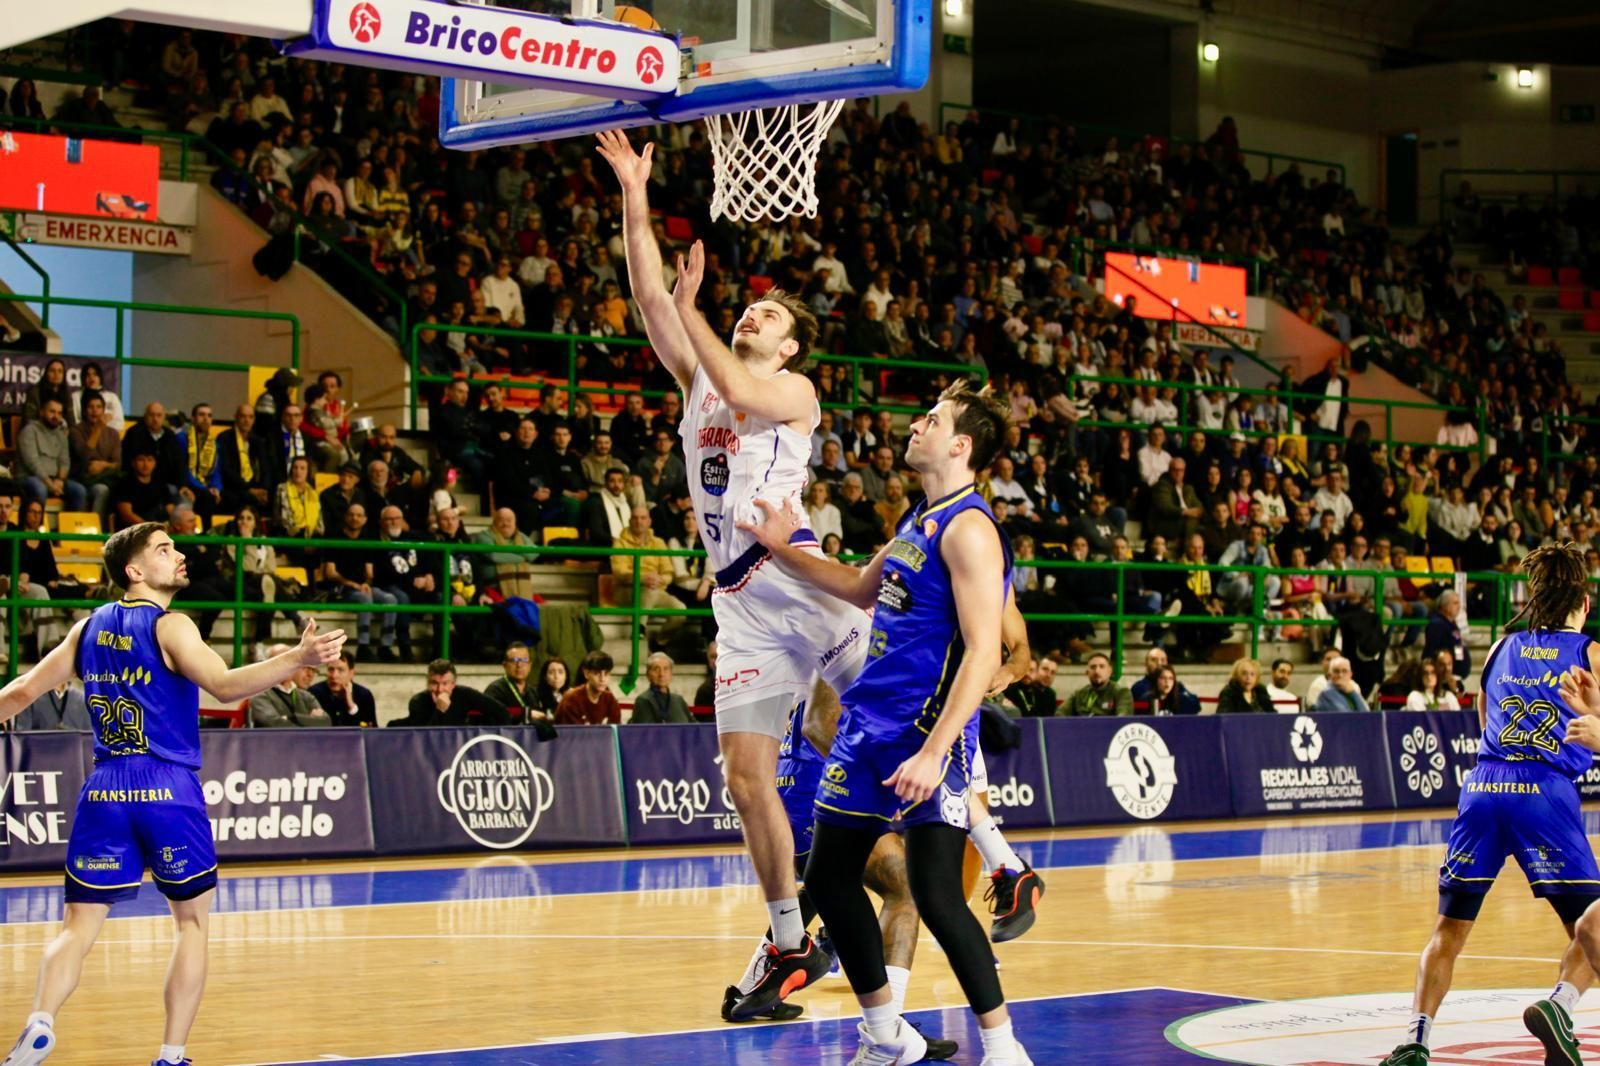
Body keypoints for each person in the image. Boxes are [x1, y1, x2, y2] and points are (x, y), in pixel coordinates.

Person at [597, 129, 872, 1017]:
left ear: (792, 348)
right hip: (742, 604)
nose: (755, 314)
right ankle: (791, 939)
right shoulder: (698, 385)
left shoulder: (792, 394)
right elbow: (648, 297)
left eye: (771, 317)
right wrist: (636, 194)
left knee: (887, 724)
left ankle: (990, 850)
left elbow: (737, 383)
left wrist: (700, 313)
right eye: (749, 308)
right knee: (746, 778)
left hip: (804, 580)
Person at [737, 379, 1035, 1065]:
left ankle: (1004, 1048)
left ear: (960, 445)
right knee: (830, 878)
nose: (915, 425)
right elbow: (852, 585)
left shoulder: (971, 530)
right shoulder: (917, 522)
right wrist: (784, 547)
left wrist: (935, 752)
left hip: (924, 735)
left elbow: (986, 649)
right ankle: (884, 1037)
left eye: (931, 419)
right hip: (866, 729)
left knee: (935, 896)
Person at [0, 523, 345, 1066]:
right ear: (135, 571)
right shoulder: (172, 626)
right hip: (167, 786)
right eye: (164, 549)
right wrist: (298, 658)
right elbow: (226, 686)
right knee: (191, 924)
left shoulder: (85, 629)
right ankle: (171, 1054)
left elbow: (20, 693)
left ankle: (41, 1019)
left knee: (77, 928)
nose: (179, 554)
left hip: (105, 788)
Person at [1380, 543, 1600, 1066]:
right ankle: (1560, 1007)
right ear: (1584, 602)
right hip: (1543, 789)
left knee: (1448, 931)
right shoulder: (1589, 652)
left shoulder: (1502, 648)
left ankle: (1415, 1039)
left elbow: (1483, 708)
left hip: (1483, 783)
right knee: (1591, 927)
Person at [393, 660, 510, 727]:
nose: (439, 689)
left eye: (445, 683)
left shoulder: (464, 694)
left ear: (453, 684)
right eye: (434, 683)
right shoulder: (418, 702)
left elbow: (500, 712)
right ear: (427, 683)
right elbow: (425, 739)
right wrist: (440, 711)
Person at [247, 644, 330, 727]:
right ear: (268, 666)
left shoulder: (306, 696)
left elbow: (325, 722)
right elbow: (274, 724)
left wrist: (290, 718)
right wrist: (309, 721)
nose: (286, 666)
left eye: (290, 661)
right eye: (279, 662)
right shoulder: (259, 695)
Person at [484, 643, 550, 727]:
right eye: (514, 660)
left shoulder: (533, 692)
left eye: (524, 660)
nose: (519, 665)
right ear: (505, 665)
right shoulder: (495, 689)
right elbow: (494, 712)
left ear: (530, 665)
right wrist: (526, 714)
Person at [307, 649, 377, 727]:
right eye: (331, 669)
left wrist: (351, 706)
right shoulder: (314, 693)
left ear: (351, 673)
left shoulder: (364, 695)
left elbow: (371, 731)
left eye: (340, 670)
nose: (334, 675)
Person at [555, 650, 621, 725]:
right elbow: (573, 734)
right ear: (586, 673)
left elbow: (615, 731)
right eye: (597, 673)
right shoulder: (571, 699)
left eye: (606, 674)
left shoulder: (610, 699)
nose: (602, 679)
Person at [630, 652, 692, 723]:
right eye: (656, 669)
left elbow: (696, 727)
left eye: (666, 669)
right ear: (648, 674)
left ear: (671, 674)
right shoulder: (643, 700)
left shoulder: (678, 700)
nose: (661, 674)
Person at [1062, 653, 1131, 716]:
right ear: (1087, 672)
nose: (1097, 671)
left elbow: (1122, 719)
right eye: (1093, 667)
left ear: (1110, 671)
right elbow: (1060, 714)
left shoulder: (1121, 692)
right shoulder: (1078, 694)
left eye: (1102, 666)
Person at [11, 682, 90, 731]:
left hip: (74, 756)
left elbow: (89, 741)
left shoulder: (82, 698)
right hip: (39, 755)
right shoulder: (30, 698)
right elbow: (21, 740)